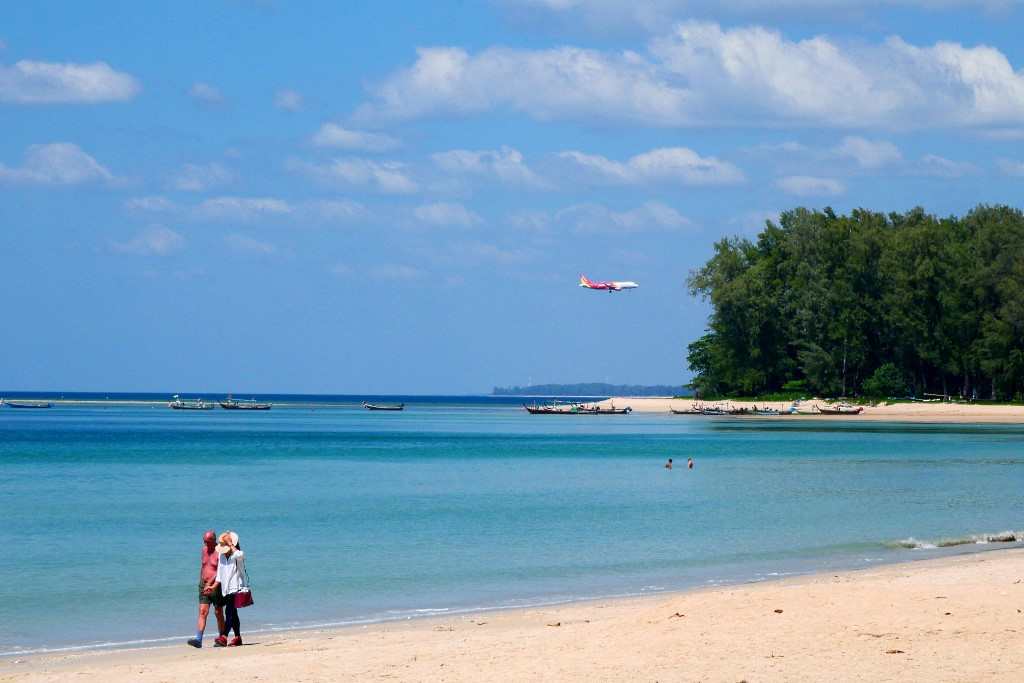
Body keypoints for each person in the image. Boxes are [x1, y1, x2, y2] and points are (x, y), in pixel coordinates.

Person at [187, 530, 225, 648]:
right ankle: (198, 639)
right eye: (204, 542)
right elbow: (203, 566)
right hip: (203, 585)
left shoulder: (220, 552)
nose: (205, 544)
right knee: (203, 611)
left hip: (215, 586)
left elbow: (220, 570)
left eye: (208, 542)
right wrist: (202, 582)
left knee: (218, 612)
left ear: (214, 541)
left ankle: (222, 638)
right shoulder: (203, 550)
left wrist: (210, 583)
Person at [211, 531, 246, 647]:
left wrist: (231, 544)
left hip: (236, 587)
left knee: (229, 611)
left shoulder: (236, 555)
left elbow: (241, 555)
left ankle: (224, 636)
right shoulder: (221, 556)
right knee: (233, 613)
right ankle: (238, 637)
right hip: (225, 588)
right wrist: (213, 586)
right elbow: (220, 574)